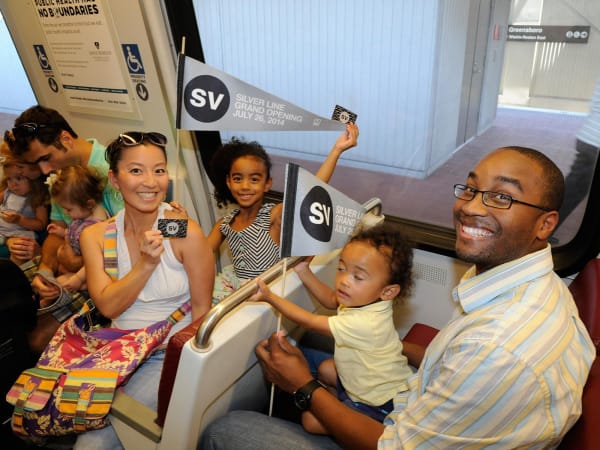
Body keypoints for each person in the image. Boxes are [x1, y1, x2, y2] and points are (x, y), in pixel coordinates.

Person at [199, 146, 595, 449]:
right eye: (471, 189)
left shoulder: (497, 349)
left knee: (226, 430)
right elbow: (451, 360)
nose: (471, 207)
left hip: (391, 432)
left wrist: (302, 386)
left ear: (546, 224)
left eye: (502, 197)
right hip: (415, 400)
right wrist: (390, 345)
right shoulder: (525, 284)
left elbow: (392, 445)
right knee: (317, 346)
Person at [76, 131, 214, 449]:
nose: (150, 182)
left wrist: (190, 369)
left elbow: (202, 311)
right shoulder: (96, 236)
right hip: (114, 350)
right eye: (136, 170)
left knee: (93, 445)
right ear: (115, 179)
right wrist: (145, 264)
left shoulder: (179, 229)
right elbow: (108, 307)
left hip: (165, 353)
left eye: (159, 170)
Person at [250, 224, 414, 433]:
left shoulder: (366, 323)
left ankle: (346, 409)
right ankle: (339, 401)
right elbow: (330, 299)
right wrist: (303, 270)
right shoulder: (367, 298)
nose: (344, 281)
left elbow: (309, 321)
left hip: (377, 401)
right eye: (341, 268)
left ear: (388, 292)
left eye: (358, 277)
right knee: (326, 368)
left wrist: (270, 297)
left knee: (310, 421)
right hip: (364, 380)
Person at [207, 123, 358, 301]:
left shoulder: (274, 215)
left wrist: (336, 150)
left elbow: (310, 193)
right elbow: (199, 255)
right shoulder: (224, 224)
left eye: (254, 179)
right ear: (228, 182)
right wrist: (183, 224)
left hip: (266, 292)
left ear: (267, 184)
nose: (245, 186)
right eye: (238, 178)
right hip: (232, 288)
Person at [4, 105, 124, 308]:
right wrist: (45, 270)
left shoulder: (115, 172)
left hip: (101, 275)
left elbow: (126, 246)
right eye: (36, 164)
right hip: (71, 264)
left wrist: (75, 263)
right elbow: (56, 230)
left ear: (66, 139)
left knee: (32, 325)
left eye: (45, 158)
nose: (45, 170)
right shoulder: (61, 176)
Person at [46, 165, 109, 295]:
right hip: (73, 267)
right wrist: (62, 232)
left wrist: (78, 278)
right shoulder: (84, 215)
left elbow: (96, 260)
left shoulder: (99, 228)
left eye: (69, 209)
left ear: (89, 204)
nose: (65, 212)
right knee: (53, 283)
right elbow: (77, 234)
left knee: (59, 286)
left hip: (87, 273)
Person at [559, 76, 600, 226]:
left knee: (573, 190)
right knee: (574, 190)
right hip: (595, 143)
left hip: (590, 138)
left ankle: (542, 228)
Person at [0, 143, 48, 265]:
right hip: (2, 229)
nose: (13, 184)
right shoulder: (7, 191)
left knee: (19, 251)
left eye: (19, 178)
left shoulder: (36, 198)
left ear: (32, 178)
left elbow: (41, 224)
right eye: (9, 179)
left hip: (19, 233)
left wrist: (20, 220)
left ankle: (12, 274)